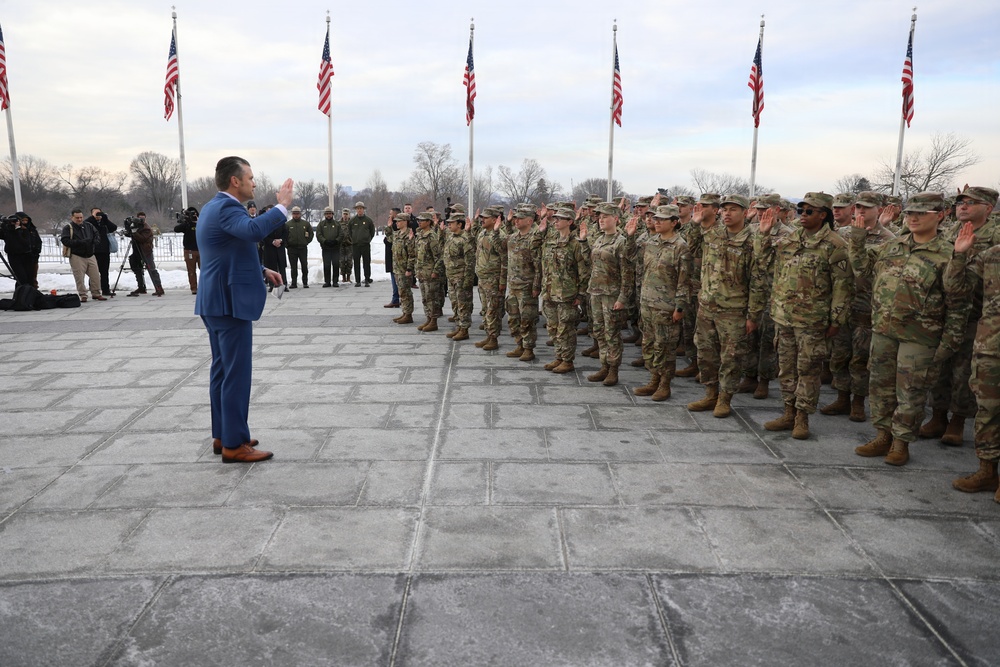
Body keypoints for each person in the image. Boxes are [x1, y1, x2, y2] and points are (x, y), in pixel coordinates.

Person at [850, 192, 971, 466]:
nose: (913, 218)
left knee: (911, 393)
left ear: (941, 216)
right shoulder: (894, 246)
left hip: (921, 335)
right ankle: (883, 435)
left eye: (921, 213)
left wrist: (950, 341)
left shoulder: (949, 252)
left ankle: (901, 443)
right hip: (884, 330)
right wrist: (857, 242)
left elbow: (958, 301)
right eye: (909, 213)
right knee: (880, 387)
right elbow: (863, 271)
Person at [195, 156, 293, 463]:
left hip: (215, 300)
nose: (254, 182)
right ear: (235, 181)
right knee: (236, 373)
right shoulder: (227, 207)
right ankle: (234, 445)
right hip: (228, 302)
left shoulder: (214, 206)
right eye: (250, 177)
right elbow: (252, 232)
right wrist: (282, 207)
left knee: (223, 370)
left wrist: (261, 269)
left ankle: (225, 433)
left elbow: (228, 248)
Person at [757, 193, 854, 439]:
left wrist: (836, 320)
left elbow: (842, 287)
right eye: (801, 211)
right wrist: (764, 233)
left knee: (808, 370)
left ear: (823, 215)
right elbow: (761, 259)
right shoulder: (789, 239)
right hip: (784, 316)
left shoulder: (835, 244)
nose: (803, 215)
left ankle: (803, 417)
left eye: (809, 211)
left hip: (812, 321)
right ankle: (788, 412)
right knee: (786, 368)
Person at [920, 186, 1000, 445]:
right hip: (944, 310)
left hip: (975, 313)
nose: (962, 206)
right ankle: (938, 416)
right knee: (940, 365)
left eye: (970, 202)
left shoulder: (995, 235)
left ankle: (958, 420)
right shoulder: (951, 231)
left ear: (988, 208)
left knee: (963, 370)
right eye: (960, 202)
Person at [687, 194, 765, 417]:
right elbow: (690, 247)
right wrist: (695, 222)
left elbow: (758, 281)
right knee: (705, 353)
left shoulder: (752, 239)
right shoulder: (714, 233)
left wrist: (753, 315)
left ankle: (725, 399)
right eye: (724, 209)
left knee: (731, 357)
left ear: (744, 212)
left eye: (733, 209)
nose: (727, 213)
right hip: (707, 306)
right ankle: (710, 393)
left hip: (734, 310)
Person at [821, 191, 896, 421]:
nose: (861, 211)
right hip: (843, 303)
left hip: (867, 307)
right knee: (839, 354)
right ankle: (843, 397)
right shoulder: (842, 234)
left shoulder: (888, 240)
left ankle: (858, 402)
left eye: (867, 207)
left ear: (879, 210)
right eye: (859, 207)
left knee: (860, 358)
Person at [947, 214, 1000, 499]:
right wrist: (959, 256)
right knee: (988, 411)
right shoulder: (993, 255)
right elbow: (957, 288)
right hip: (991, 347)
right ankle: (987, 471)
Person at [632, 205, 691, 401]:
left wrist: (679, 307)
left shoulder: (680, 246)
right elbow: (633, 261)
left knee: (664, 347)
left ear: (674, 222)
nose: (656, 222)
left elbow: (684, 280)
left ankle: (665, 384)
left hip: (666, 306)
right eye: (655, 219)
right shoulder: (651, 242)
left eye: (662, 219)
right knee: (648, 344)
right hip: (647, 302)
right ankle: (653, 379)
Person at [584, 203, 633, 387]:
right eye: (599, 216)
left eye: (605, 216)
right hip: (596, 292)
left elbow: (627, 273)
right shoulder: (599, 239)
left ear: (616, 219)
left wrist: (622, 298)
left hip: (611, 295)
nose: (601, 219)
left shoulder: (621, 242)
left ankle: (613, 369)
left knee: (612, 333)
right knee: (599, 331)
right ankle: (604, 365)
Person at [541, 208, 589, 373]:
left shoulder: (576, 243)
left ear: (570, 221)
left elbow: (583, 270)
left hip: (567, 294)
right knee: (553, 328)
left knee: (566, 329)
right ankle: (559, 357)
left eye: (560, 219)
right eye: (555, 219)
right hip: (550, 292)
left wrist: (581, 294)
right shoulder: (551, 241)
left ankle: (568, 361)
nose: (556, 221)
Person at [505, 207, 543, 362]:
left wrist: (536, 286)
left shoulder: (534, 239)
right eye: (515, 218)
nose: (516, 221)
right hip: (513, 285)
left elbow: (538, 265)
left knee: (527, 319)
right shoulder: (513, 238)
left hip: (527, 286)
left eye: (519, 218)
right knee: (513, 318)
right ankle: (519, 344)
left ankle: (528, 348)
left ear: (529, 221)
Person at [475, 206, 508, 351]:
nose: (482, 219)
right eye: (482, 217)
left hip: (494, 278)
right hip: (483, 277)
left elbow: (505, 259)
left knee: (493, 310)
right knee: (485, 309)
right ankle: (489, 335)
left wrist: (502, 281)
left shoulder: (500, 236)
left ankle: (494, 338)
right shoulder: (482, 233)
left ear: (495, 220)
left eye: (486, 218)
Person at [442, 213, 475, 341]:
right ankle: (459, 326)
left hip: (461, 277)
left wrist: (467, 280)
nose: (448, 224)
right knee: (455, 304)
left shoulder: (464, 239)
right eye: (448, 222)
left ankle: (464, 329)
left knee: (463, 304)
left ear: (459, 224)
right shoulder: (450, 237)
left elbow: (470, 262)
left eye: (452, 223)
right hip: (451, 277)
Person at [61, 208, 105, 302]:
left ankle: (96, 293)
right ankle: (83, 294)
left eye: (81, 217)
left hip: (90, 254)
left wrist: (94, 242)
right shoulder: (68, 228)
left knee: (95, 276)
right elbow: (65, 240)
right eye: (77, 218)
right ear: (72, 217)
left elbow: (97, 234)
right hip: (77, 255)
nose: (79, 219)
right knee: (79, 277)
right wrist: (80, 242)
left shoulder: (88, 225)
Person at [413, 211, 444, 332]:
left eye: (422, 220)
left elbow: (439, 257)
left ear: (428, 222)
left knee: (432, 298)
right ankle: (428, 318)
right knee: (425, 298)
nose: (419, 222)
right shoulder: (420, 235)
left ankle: (434, 321)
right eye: (418, 220)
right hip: (422, 273)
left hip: (430, 273)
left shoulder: (432, 236)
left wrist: (435, 271)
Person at [124, 214, 164, 296]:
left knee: (151, 269)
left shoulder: (146, 228)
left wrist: (135, 232)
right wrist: (128, 227)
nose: (140, 220)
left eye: (142, 218)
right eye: (138, 218)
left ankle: (159, 288)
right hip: (136, 251)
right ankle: (141, 287)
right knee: (136, 268)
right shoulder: (136, 226)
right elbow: (129, 234)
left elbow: (143, 239)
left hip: (146, 251)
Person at [0, 212, 42, 287]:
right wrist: (4, 224)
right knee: (21, 279)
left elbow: (26, 242)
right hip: (14, 256)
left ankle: (28, 295)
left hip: (28, 256)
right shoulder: (7, 230)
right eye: (23, 220)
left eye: (26, 220)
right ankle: (21, 296)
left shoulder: (27, 230)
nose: (25, 222)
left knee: (30, 279)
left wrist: (18, 230)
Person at [84, 207, 117, 297]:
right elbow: (85, 224)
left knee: (104, 271)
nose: (98, 215)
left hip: (105, 251)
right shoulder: (90, 223)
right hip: (94, 251)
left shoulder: (104, 222)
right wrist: (93, 217)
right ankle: (94, 289)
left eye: (99, 213)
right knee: (93, 272)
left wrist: (105, 218)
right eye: (96, 213)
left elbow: (113, 228)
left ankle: (105, 289)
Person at [390, 212, 416, 324]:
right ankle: (405, 312)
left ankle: (408, 314)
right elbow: (389, 239)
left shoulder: (408, 235)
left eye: (399, 221)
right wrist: (388, 227)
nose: (397, 223)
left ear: (405, 222)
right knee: (401, 292)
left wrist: (409, 269)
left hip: (404, 269)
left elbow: (412, 254)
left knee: (406, 292)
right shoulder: (397, 234)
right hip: (397, 268)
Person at [285, 206, 314, 289]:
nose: (296, 215)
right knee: (293, 267)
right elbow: (285, 236)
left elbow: (311, 234)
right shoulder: (288, 224)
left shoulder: (305, 224)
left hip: (302, 248)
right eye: (294, 213)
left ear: (300, 214)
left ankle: (305, 282)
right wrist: (287, 246)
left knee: (304, 265)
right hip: (292, 249)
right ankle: (294, 282)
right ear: (292, 214)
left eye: (297, 213)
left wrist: (306, 242)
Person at [173, 206, 200, 294]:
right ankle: (194, 288)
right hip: (189, 250)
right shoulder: (187, 224)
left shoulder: (201, 222)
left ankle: (205, 286)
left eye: (194, 214)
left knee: (205, 270)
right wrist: (187, 222)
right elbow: (176, 229)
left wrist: (198, 221)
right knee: (191, 271)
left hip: (201, 250)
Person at [348, 202, 376, 286]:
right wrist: (353, 239)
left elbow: (372, 231)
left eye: (361, 208)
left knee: (366, 263)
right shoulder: (352, 220)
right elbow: (349, 231)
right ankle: (358, 281)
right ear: (356, 210)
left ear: (363, 209)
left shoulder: (368, 220)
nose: (359, 210)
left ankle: (367, 279)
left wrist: (368, 239)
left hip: (365, 245)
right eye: (358, 208)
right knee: (356, 263)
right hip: (355, 245)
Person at [316, 206, 344, 287]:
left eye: (330, 213)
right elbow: (318, 234)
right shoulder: (321, 224)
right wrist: (325, 241)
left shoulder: (337, 224)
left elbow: (341, 234)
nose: (328, 215)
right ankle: (327, 282)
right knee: (327, 265)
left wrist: (336, 241)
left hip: (335, 248)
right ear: (325, 215)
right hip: (326, 248)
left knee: (336, 264)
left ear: (332, 214)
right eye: (327, 214)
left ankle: (335, 281)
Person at [339, 208, 354, 284]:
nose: (345, 216)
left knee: (349, 261)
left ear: (349, 215)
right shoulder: (338, 223)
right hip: (341, 245)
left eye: (346, 214)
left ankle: (348, 277)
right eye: (344, 214)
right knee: (341, 261)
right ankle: (343, 277)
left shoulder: (352, 223)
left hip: (349, 245)